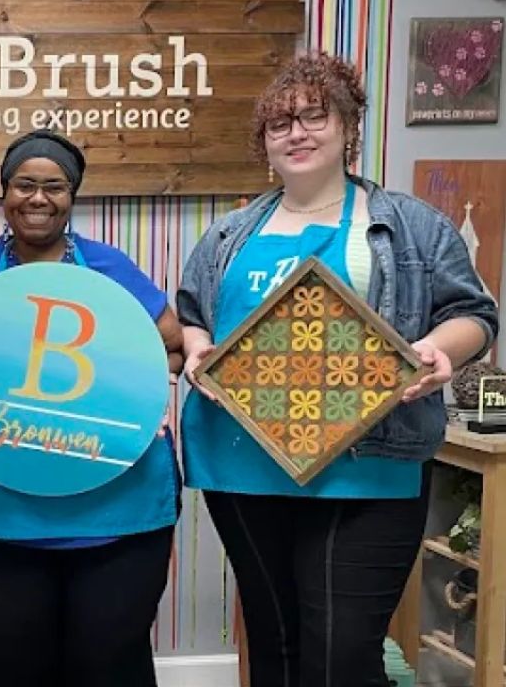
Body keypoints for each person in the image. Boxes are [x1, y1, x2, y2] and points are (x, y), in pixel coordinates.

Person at [176, 52, 499, 687]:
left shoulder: (409, 225)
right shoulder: (230, 234)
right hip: (241, 462)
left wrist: (439, 349)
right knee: (274, 644)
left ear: (348, 127)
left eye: (314, 117)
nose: (296, 133)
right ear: (264, 142)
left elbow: (473, 314)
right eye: (280, 124)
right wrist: (197, 349)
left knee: (341, 657)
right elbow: (193, 315)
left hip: (367, 464)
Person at [0, 129, 185, 687]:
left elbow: (172, 347)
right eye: (24, 184)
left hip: (117, 514)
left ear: (72, 195)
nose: (38, 198)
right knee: (11, 667)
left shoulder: (110, 269)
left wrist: (150, 396)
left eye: (54, 186)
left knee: (110, 666)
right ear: (4, 192)